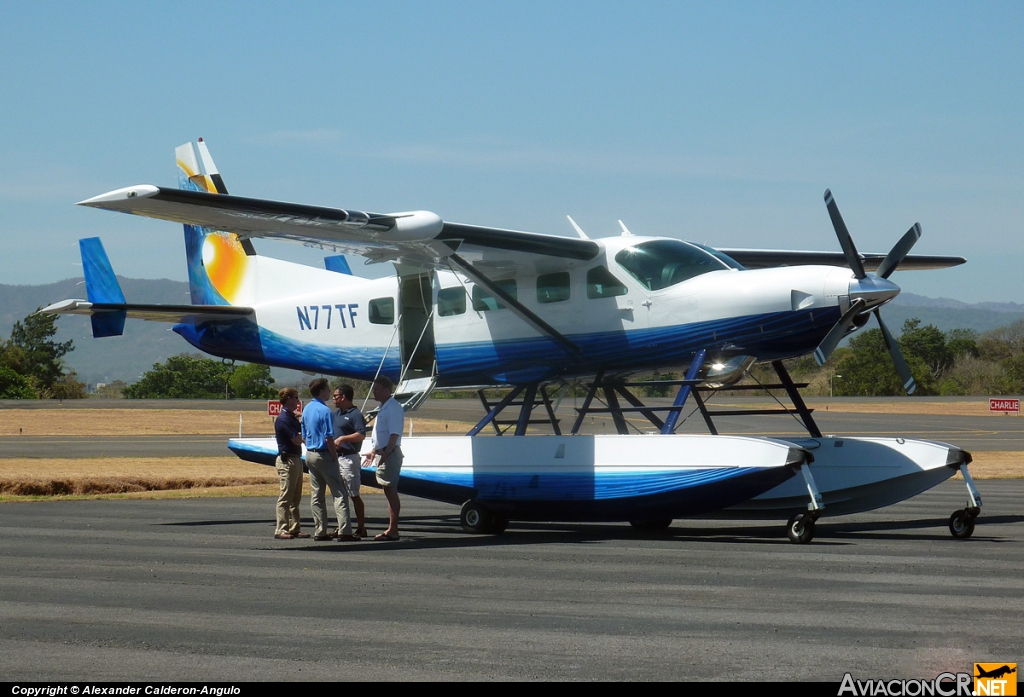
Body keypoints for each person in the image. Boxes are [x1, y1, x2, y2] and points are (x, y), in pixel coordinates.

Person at [301, 377, 358, 542]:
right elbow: (328, 437)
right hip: (324, 453)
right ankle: (345, 531)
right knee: (339, 493)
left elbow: (304, 434)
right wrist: (334, 456)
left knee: (317, 494)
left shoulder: (307, 409)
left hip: (310, 453)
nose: (329, 393)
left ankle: (320, 530)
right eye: (327, 390)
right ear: (321, 391)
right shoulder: (324, 411)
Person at [363, 376, 404, 541]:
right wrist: (374, 450)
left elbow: (394, 434)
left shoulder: (393, 407)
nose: (374, 392)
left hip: (390, 454)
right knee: (388, 490)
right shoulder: (384, 407)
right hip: (384, 452)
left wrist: (387, 452)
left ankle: (393, 530)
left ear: (387, 391)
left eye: (377, 389)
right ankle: (392, 528)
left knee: (390, 490)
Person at [273, 387, 309, 540]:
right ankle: (281, 528)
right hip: (287, 460)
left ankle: (294, 528)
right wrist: (306, 435)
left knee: (296, 497)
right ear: (288, 399)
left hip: (296, 458)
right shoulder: (283, 419)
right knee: (286, 496)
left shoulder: (292, 417)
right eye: (295, 397)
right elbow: (295, 439)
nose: (297, 401)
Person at [332, 384, 368, 538]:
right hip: (336, 458)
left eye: (335, 396)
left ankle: (361, 527)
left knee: (353, 493)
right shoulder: (336, 414)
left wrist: (343, 438)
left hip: (349, 458)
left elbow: (361, 434)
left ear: (344, 397)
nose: (333, 399)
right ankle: (342, 525)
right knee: (339, 495)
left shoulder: (355, 415)